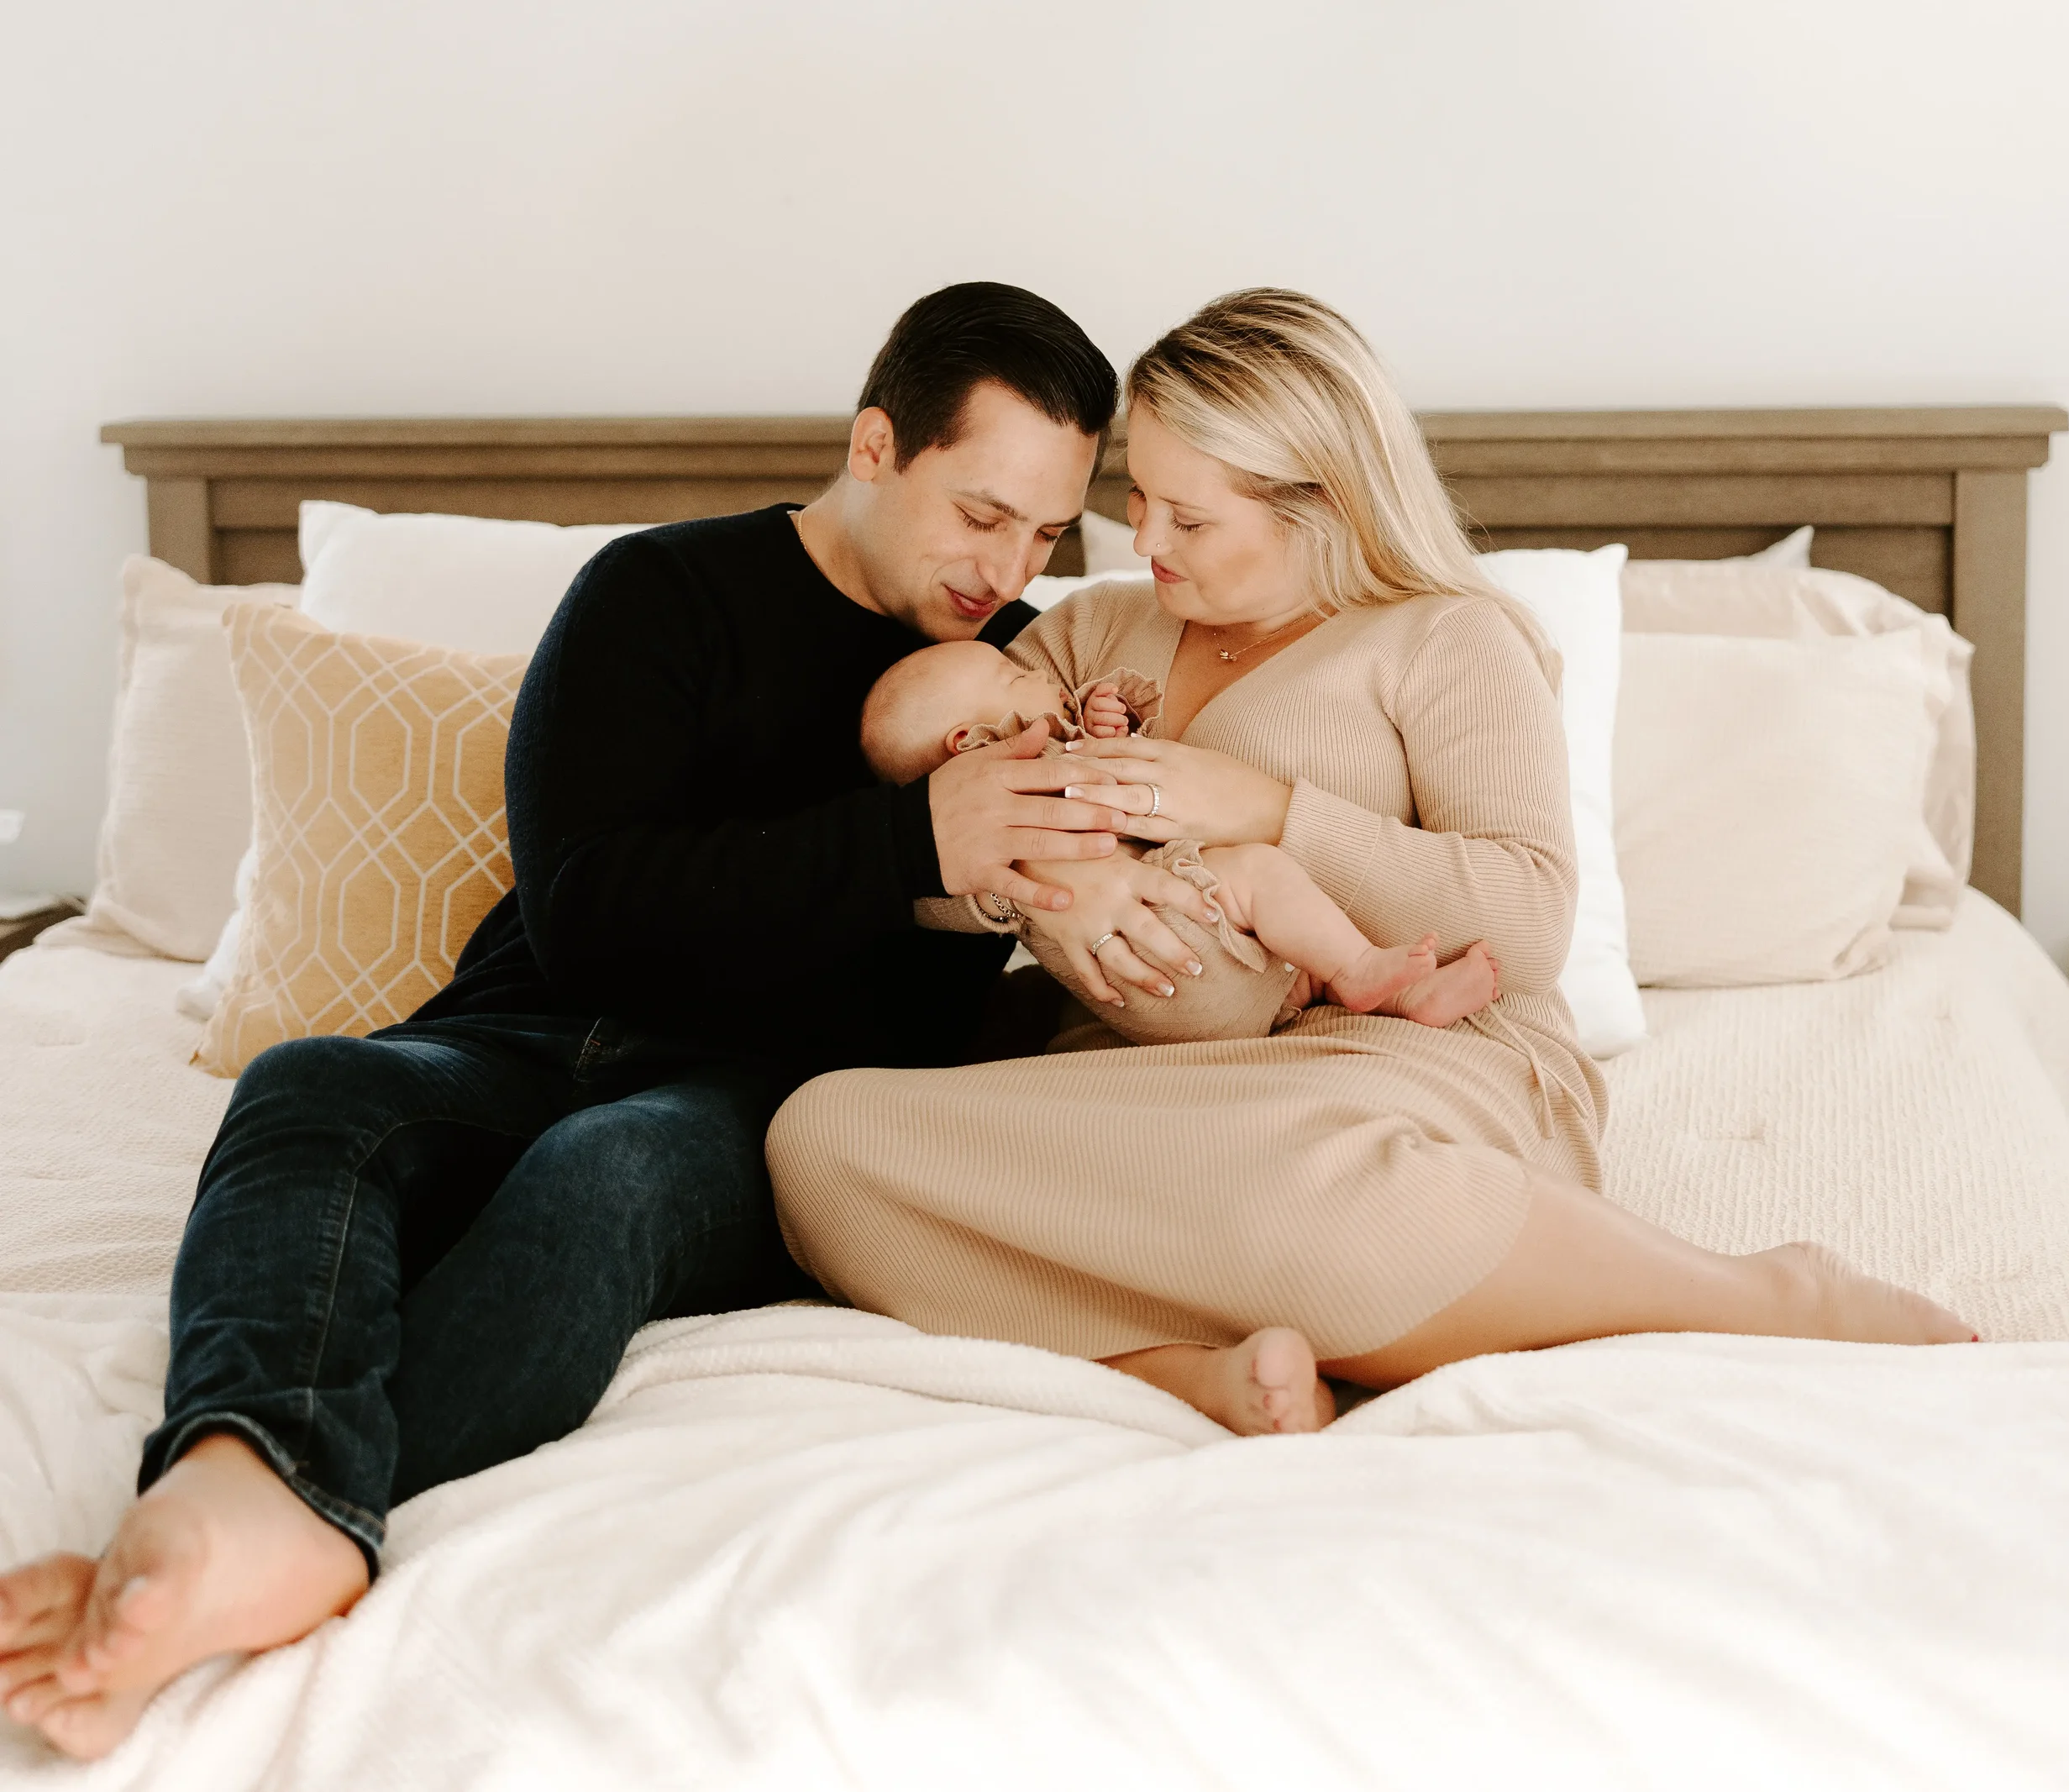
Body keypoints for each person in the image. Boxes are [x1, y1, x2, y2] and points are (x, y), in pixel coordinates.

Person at [0, 281, 1205, 1762]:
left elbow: (944, 1012)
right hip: (530, 1026)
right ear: (877, 445)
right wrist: (909, 846)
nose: (1008, 568)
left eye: (1044, 534)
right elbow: (587, 908)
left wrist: (1055, 880)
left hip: (753, 1100)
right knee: (313, 1083)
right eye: (980, 514)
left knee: (608, 1181)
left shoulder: (1025, 683)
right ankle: (249, 1489)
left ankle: (267, 1513)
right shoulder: (660, 594)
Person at [769, 287, 1972, 1445]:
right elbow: (942, 826)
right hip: (1137, 1090)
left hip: (1386, 1067)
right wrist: (1016, 894)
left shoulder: (1450, 639)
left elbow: (1529, 922)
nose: (1141, 540)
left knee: (1324, 1184)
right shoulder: (1092, 635)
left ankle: (1756, 1297)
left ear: (1322, 503)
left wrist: (1272, 807)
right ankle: (1194, 1371)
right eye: (1142, 499)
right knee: (821, 1142)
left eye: (1192, 518)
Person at [860, 636, 1501, 1029]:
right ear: (971, 742)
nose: (1036, 674)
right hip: (1156, 952)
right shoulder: (1013, 774)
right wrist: (1030, 877)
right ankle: (1358, 968)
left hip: (1203, 979)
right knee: (1260, 874)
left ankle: (1376, 992)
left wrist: (1108, 726)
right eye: (1012, 679)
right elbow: (1102, 795)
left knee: (1285, 938)